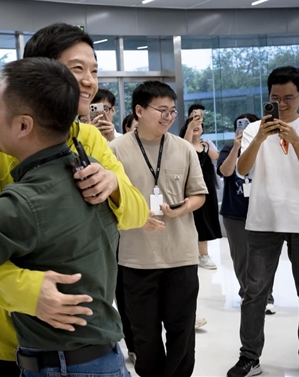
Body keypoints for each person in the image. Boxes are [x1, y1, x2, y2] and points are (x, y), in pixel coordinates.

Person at [0, 23, 147, 376]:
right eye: (77, 69)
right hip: (7, 337)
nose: (89, 81)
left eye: (94, 71)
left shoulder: (90, 138)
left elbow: (136, 214)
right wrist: (31, 293)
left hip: (81, 338)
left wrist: (114, 185)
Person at [227, 66, 299, 377]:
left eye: (289, 98)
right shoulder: (253, 129)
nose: (282, 105)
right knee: (254, 293)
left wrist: (296, 141)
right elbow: (242, 170)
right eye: (275, 98)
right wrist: (259, 138)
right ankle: (249, 357)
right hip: (263, 219)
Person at [110, 81, 207, 377]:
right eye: (162, 110)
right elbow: (108, 202)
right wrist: (136, 216)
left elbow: (199, 194)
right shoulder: (115, 150)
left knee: (182, 332)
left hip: (181, 256)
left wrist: (182, 208)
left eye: (172, 111)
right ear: (139, 111)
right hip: (136, 259)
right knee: (144, 335)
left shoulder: (184, 148)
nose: (169, 117)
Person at [217, 113, 276, 315]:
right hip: (235, 213)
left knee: (264, 257)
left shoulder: (266, 149)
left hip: (262, 210)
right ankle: (247, 294)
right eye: (241, 126)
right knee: (242, 257)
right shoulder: (228, 150)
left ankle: (267, 297)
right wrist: (236, 147)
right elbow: (226, 172)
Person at [181, 115, 221, 269]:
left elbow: (217, 158)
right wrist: (190, 129)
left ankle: (203, 255)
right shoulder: (185, 144)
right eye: (193, 124)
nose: (197, 126)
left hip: (208, 188)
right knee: (195, 220)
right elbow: (185, 148)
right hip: (191, 188)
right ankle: (195, 254)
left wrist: (208, 148)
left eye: (200, 124)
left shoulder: (207, 144)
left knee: (206, 220)